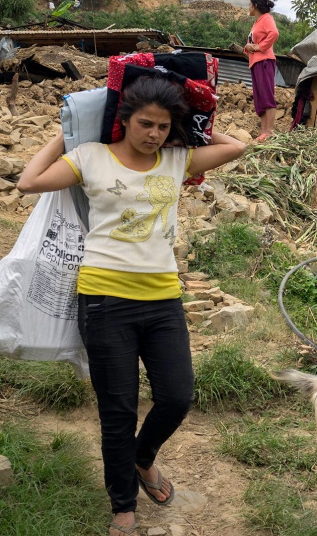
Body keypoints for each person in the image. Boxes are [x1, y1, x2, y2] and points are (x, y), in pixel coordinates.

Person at [17, 74, 246, 536]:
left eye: (163, 127)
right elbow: (29, 181)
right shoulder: (90, 157)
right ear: (123, 119)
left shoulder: (176, 160)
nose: (154, 135)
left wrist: (195, 115)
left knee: (177, 397)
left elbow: (236, 147)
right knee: (117, 411)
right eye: (145, 124)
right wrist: (69, 128)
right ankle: (123, 505)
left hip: (162, 300)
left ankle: (142, 459)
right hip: (104, 301)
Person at [243, 0, 279, 141]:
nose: (248, 7)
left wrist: (260, 47)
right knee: (259, 99)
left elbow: (274, 34)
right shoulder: (257, 23)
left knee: (266, 95)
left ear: (255, 6)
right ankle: (264, 132)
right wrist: (248, 47)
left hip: (264, 61)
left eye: (250, 4)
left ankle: (269, 131)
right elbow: (252, 44)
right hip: (256, 62)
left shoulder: (266, 19)